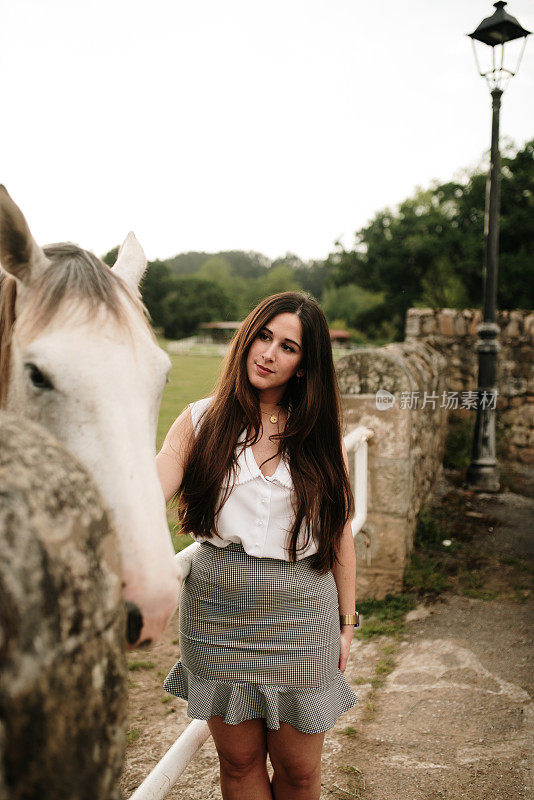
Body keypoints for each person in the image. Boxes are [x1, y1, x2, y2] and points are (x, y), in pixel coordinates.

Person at [157, 291, 359, 800]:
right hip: (217, 615)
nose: (268, 354)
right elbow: (148, 488)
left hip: (300, 615)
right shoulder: (200, 421)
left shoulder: (318, 435)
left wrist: (347, 622)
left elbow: (338, 536)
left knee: (299, 772)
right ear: (247, 339)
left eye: (288, 347)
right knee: (239, 760)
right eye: (264, 337)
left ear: (304, 364)